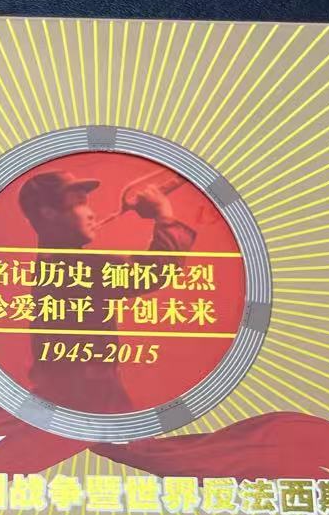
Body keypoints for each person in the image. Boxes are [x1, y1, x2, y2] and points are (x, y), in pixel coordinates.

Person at [14, 167, 196, 412]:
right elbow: (155, 272)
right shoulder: (75, 267)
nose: (91, 213)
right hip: (88, 398)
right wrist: (163, 214)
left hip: (70, 394)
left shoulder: (52, 264)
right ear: (49, 213)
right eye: (79, 204)